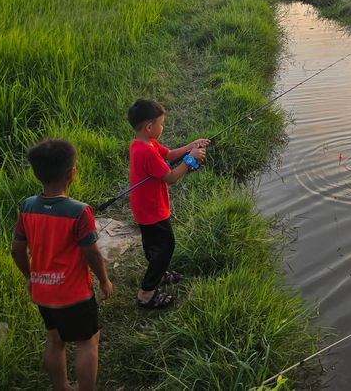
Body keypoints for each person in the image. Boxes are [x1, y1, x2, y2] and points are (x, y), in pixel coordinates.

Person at [11, 139, 113, 391]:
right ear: (72, 173)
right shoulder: (79, 211)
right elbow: (91, 252)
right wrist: (103, 279)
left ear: (37, 174)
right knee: (87, 341)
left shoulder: (27, 206)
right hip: (74, 294)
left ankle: (61, 387)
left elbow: (16, 250)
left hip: (44, 292)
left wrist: (31, 277)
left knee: (55, 339)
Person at [128, 98, 209, 309]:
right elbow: (171, 177)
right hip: (153, 210)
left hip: (144, 207)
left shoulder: (143, 143)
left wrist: (191, 146)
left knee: (154, 245)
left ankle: (160, 273)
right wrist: (190, 161)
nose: (162, 127)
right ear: (149, 127)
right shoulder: (147, 152)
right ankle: (146, 293)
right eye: (161, 124)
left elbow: (170, 154)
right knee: (165, 247)